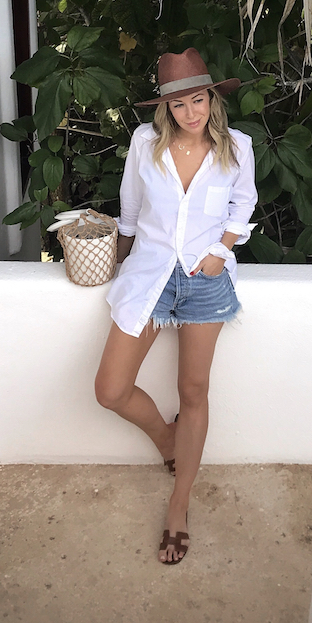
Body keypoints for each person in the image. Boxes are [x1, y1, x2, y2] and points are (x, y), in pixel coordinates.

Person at [94, 48, 257, 565]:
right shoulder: (145, 144)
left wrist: (220, 251)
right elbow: (130, 209)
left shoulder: (236, 147)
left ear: (212, 98)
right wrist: (118, 263)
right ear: (165, 108)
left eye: (200, 99)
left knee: (194, 390)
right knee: (110, 390)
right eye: (181, 104)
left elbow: (244, 203)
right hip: (150, 276)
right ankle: (168, 440)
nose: (192, 112)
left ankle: (178, 508)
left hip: (205, 282)